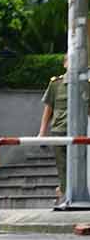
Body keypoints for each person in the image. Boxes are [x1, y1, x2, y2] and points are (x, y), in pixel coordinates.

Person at [39, 52, 70, 205]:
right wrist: (42, 133)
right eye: (70, 60)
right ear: (65, 64)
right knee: (62, 167)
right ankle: (64, 194)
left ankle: (66, 193)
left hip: (80, 134)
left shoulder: (86, 84)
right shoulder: (56, 84)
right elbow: (48, 109)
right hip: (59, 131)